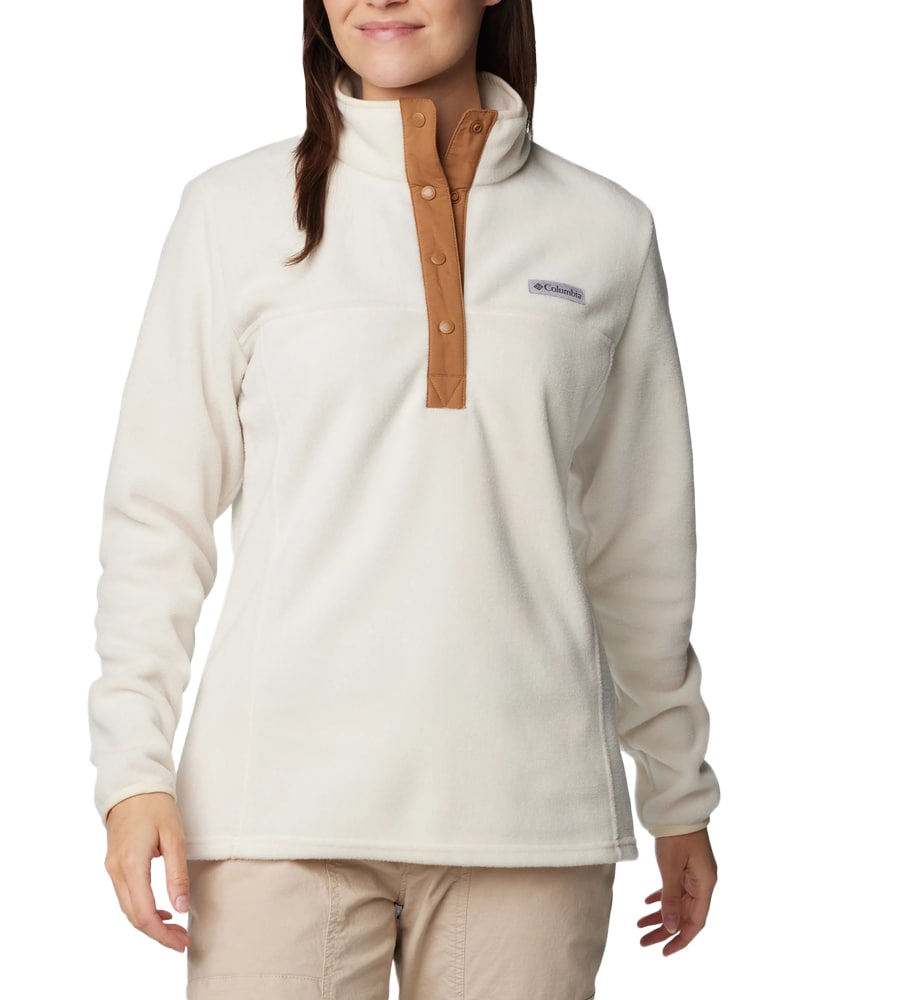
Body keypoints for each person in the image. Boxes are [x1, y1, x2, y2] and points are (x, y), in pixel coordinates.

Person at [88, 1, 721, 996]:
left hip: (529, 819)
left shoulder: (606, 232)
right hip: (274, 813)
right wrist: (132, 774)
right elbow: (155, 519)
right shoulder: (230, 213)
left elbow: (643, 548)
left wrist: (678, 791)